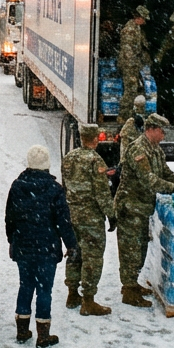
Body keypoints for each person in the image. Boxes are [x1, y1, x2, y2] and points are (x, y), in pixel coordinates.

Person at [5, 146, 78, 348]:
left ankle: (22, 331)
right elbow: (64, 221)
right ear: (46, 165)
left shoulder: (17, 186)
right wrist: (71, 245)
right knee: (44, 290)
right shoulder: (55, 189)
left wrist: (12, 240)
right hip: (46, 247)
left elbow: (9, 218)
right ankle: (43, 334)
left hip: (23, 246)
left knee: (25, 286)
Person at [114, 113, 174, 307]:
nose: (164, 136)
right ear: (151, 129)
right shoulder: (138, 150)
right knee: (130, 249)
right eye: (162, 132)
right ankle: (128, 291)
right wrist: (172, 188)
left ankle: (132, 284)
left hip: (142, 207)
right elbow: (149, 180)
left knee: (140, 247)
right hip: (130, 207)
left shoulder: (155, 149)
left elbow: (163, 170)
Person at [61, 124, 115, 315]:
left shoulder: (69, 158)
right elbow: (102, 193)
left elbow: (64, 187)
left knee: (74, 253)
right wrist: (111, 215)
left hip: (72, 214)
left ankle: (72, 293)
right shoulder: (96, 161)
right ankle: (88, 300)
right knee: (92, 256)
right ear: (95, 139)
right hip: (91, 217)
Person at [117, 6, 151, 122]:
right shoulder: (130, 29)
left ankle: (129, 114)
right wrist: (132, 65)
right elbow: (127, 50)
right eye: (143, 19)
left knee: (136, 90)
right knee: (130, 90)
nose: (144, 22)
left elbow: (142, 47)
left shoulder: (137, 29)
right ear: (138, 17)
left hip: (134, 64)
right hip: (129, 65)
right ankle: (123, 115)